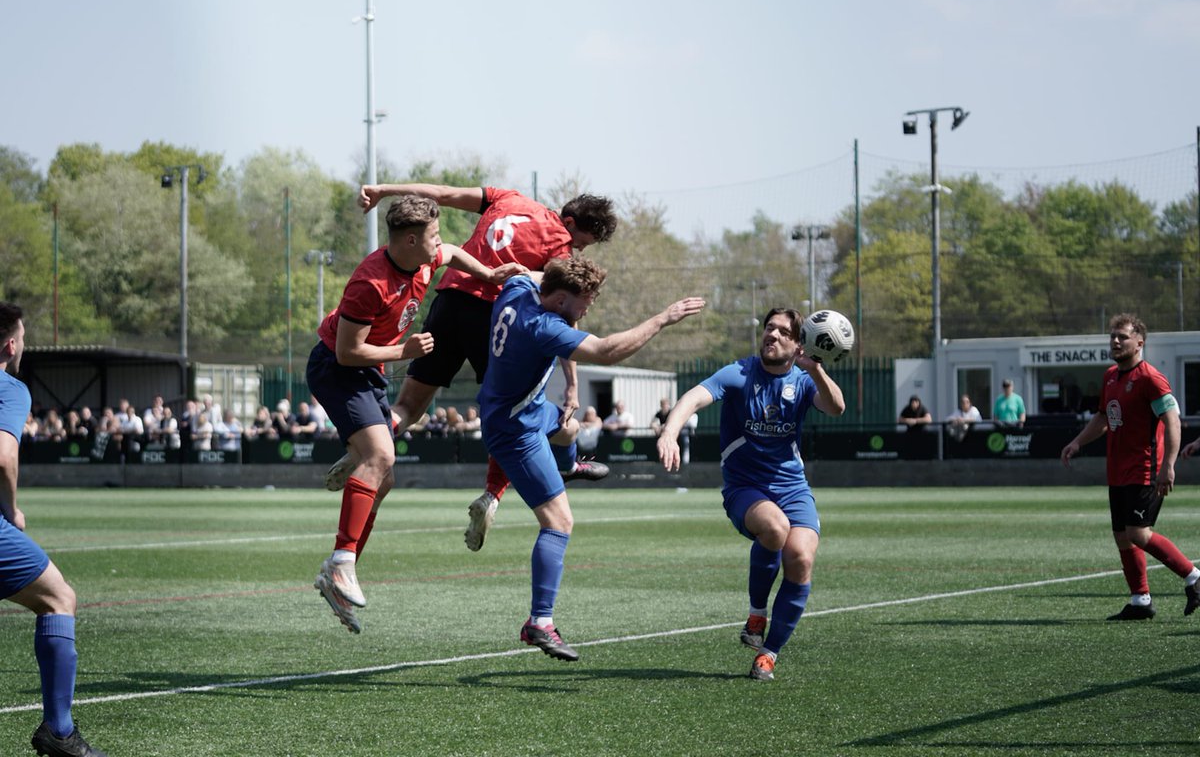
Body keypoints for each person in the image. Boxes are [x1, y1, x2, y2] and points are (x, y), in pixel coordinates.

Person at [322, 181, 619, 554]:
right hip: (495, 318)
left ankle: (370, 446)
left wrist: (384, 190)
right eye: (583, 242)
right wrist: (572, 383)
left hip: (448, 302)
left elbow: (441, 193)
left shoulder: (509, 198)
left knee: (410, 405)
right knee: (508, 413)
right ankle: (491, 496)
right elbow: (565, 312)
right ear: (571, 222)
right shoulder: (559, 249)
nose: (577, 250)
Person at [306, 194, 525, 634]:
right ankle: (342, 562)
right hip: (337, 368)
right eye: (433, 236)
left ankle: (338, 569)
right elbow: (348, 353)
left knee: (383, 478)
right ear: (409, 240)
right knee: (381, 458)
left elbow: (454, 254)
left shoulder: (425, 257)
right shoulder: (369, 281)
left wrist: (488, 273)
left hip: (368, 370)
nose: (439, 243)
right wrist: (402, 353)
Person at [478, 257, 705, 660]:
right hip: (514, 429)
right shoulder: (542, 326)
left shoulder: (518, 290)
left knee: (569, 426)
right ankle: (540, 623)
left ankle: (567, 465)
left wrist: (569, 387)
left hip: (521, 409)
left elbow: (526, 273)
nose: (587, 310)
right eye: (584, 303)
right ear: (561, 298)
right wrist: (663, 319)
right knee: (560, 522)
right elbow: (607, 350)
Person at [656, 307, 845, 681]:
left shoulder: (804, 380)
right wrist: (669, 432)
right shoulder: (739, 374)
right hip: (746, 488)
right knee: (775, 529)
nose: (772, 336)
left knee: (801, 558)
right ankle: (757, 612)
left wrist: (816, 369)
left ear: (798, 345)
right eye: (768, 329)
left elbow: (836, 407)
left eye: (783, 333)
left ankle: (768, 653)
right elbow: (693, 398)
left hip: (792, 487)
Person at [0, 303, 109, 757]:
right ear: (10, 345)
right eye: (23, 338)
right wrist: (10, 509)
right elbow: (4, 455)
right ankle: (59, 731)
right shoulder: (10, 387)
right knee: (58, 598)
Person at [1060, 314, 1200, 620]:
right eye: (1112, 336)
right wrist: (1077, 443)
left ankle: (1194, 577)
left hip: (1145, 468)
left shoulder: (1150, 378)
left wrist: (1169, 465)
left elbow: (1172, 421)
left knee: (1138, 533)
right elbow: (1101, 419)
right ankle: (1140, 601)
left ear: (1140, 342)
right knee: (1122, 535)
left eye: (1122, 336)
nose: (1115, 341)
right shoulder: (1110, 376)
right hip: (1119, 470)